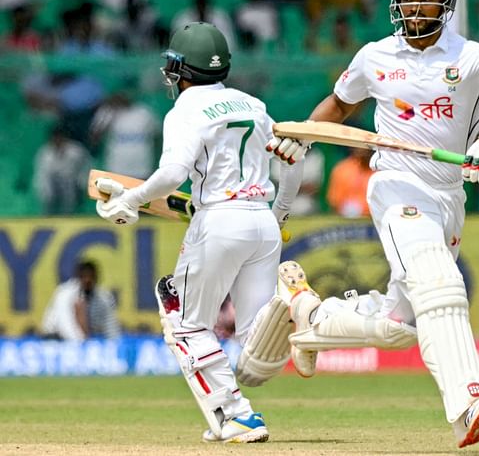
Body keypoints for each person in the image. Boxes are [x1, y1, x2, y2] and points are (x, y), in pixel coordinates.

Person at [268, 0, 479, 448]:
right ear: (396, 4)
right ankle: (467, 401)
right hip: (395, 185)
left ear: (446, 3)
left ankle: (310, 316)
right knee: (440, 282)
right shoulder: (375, 57)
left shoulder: (474, 58)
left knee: (402, 324)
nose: (416, 8)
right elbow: (340, 105)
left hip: (448, 195)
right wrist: (304, 136)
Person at [94, 22, 305, 443]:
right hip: (262, 220)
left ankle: (236, 414)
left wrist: (131, 200)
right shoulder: (255, 105)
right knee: (253, 332)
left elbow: (172, 174)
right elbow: (293, 159)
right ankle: (312, 317)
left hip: (219, 221)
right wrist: (279, 212)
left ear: (180, 69)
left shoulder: (186, 110)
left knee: (184, 321)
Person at [41, 260, 121, 340]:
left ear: (96, 278)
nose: (87, 280)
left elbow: (112, 329)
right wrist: (82, 345)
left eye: (91, 277)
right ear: (78, 278)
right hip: (55, 338)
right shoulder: (64, 293)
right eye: (84, 277)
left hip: (85, 340)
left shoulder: (103, 298)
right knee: (79, 305)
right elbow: (65, 325)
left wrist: (114, 344)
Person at [89, 89, 159, 178]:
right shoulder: (107, 112)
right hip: (116, 167)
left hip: (142, 166)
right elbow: (94, 137)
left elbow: (157, 137)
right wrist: (110, 114)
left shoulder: (144, 112)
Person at [33, 122, 92, 215]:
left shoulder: (77, 151)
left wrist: (82, 185)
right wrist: (46, 194)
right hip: (52, 185)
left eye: (60, 138)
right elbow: (42, 175)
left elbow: (86, 168)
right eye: (55, 138)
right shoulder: (44, 153)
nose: (58, 141)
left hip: (72, 184)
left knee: (69, 205)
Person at [326, 147, 373, 217]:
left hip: (371, 219)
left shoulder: (378, 171)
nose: (362, 150)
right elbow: (334, 200)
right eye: (359, 146)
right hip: (344, 219)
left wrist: (363, 209)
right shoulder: (342, 168)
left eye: (366, 148)